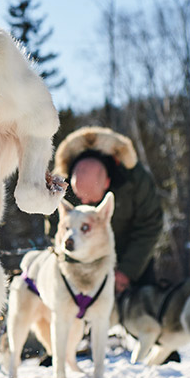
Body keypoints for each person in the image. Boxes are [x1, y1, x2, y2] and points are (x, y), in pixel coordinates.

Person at [46, 126, 164, 294]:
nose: (84, 202)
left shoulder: (135, 180)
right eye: (80, 197)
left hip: (131, 261)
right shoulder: (60, 183)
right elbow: (55, 228)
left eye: (91, 198)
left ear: (107, 183)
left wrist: (126, 270)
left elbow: (150, 224)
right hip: (81, 266)